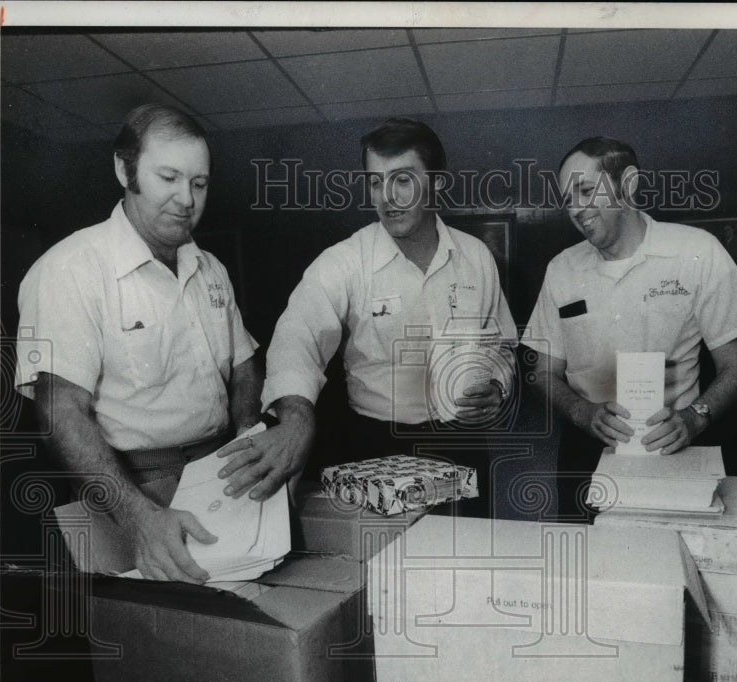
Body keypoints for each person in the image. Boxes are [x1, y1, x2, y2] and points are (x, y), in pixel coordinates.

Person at [217, 118, 517, 517]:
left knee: (465, 563)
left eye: (403, 180)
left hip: (463, 444)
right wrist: (295, 418)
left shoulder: (476, 256)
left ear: (437, 183)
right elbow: (296, 338)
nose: (387, 197)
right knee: (384, 570)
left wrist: (498, 383)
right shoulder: (345, 261)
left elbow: (502, 344)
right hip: (376, 447)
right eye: (376, 182)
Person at [15, 103, 263, 583]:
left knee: (243, 624)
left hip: (217, 472)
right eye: (167, 177)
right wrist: (139, 520)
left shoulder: (209, 267)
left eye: (199, 183)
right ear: (123, 169)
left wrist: (247, 436)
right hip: (129, 487)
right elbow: (57, 411)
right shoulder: (68, 270)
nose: (185, 199)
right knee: (155, 638)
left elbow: (245, 364)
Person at [522, 137, 737, 520]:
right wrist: (581, 411)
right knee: (584, 568)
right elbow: (540, 371)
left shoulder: (696, 252)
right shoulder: (561, 269)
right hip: (583, 452)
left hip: (670, 446)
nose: (576, 209)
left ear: (629, 184)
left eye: (586, 190)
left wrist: (696, 416)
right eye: (568, 198)